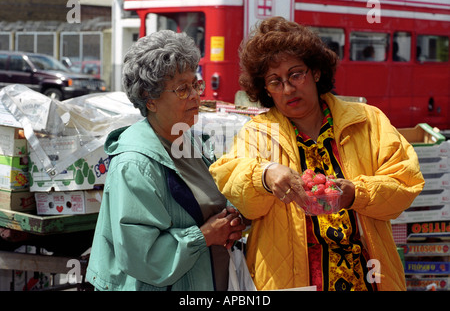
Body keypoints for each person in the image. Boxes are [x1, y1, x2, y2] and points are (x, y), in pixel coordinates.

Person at [209, 17, 424, 291]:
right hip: (290, 283)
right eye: (275, 81)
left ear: (316, 72)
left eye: (296, 74)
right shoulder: (257, 133)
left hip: (368, 279)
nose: (288, 88)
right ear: (265, 90)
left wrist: (355, 194)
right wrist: (264, 174)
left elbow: (406, 184)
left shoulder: (367, 121)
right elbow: (240, 191)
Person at [86, 30, 246, 291]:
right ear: (150, 101)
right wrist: (205, 236)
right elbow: (141, 255)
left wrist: (232, 220)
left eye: (195, 84)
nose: (195, 95)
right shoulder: (134, 164)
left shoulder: (192, 144)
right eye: (182, 89)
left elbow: (213, 201)